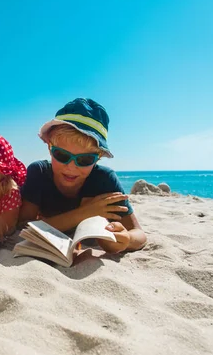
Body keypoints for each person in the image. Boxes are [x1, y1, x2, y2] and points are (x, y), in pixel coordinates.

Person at [19, 98, 147, 253]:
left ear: (98, 157)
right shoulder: (39, 172)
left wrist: (126, 239)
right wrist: (85, 213)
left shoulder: (104, 179)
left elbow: (139, 234)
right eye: (61, 155)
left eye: (85, 159)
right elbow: (23, 226)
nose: (71, 166)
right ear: (49, 148)